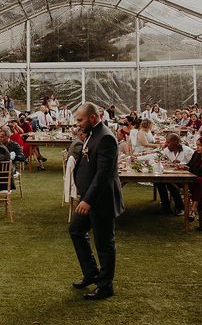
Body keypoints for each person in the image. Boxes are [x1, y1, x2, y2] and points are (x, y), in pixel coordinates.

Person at [69, 102, 124, 300]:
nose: (78, 124)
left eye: (80, 120)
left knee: (104, 243)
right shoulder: (92, 134)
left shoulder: (106, 138)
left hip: (101, 200)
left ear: (93, 117)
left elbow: (103, 174)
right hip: (88, 197)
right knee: (76, 230)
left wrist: (88, 200)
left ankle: (105, 285)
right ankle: (91, 273)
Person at [158, 133, 193, 215]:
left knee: (170, 183)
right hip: (172, 175)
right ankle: (166, 207)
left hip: (186, 177)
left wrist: (182, 165)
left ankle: (180, 207)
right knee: (159, 182)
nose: (166, 144)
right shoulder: (166, 150)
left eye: (168, 142)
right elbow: (162, 160)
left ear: (176, 142)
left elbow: (193, 165)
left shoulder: (188, 151)